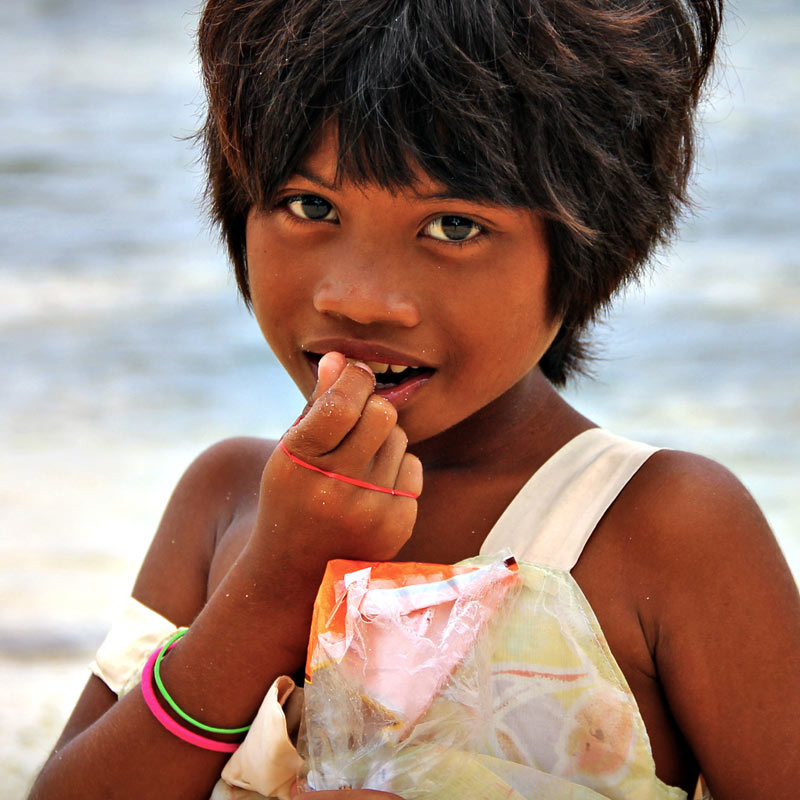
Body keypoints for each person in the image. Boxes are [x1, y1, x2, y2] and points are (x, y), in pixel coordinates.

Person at [27, 0, 800, 798]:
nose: (362, 300)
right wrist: (278, 582)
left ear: (591, 248)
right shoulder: (224, 505)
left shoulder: (665, 530)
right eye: (310, 206)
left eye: (455, 226)